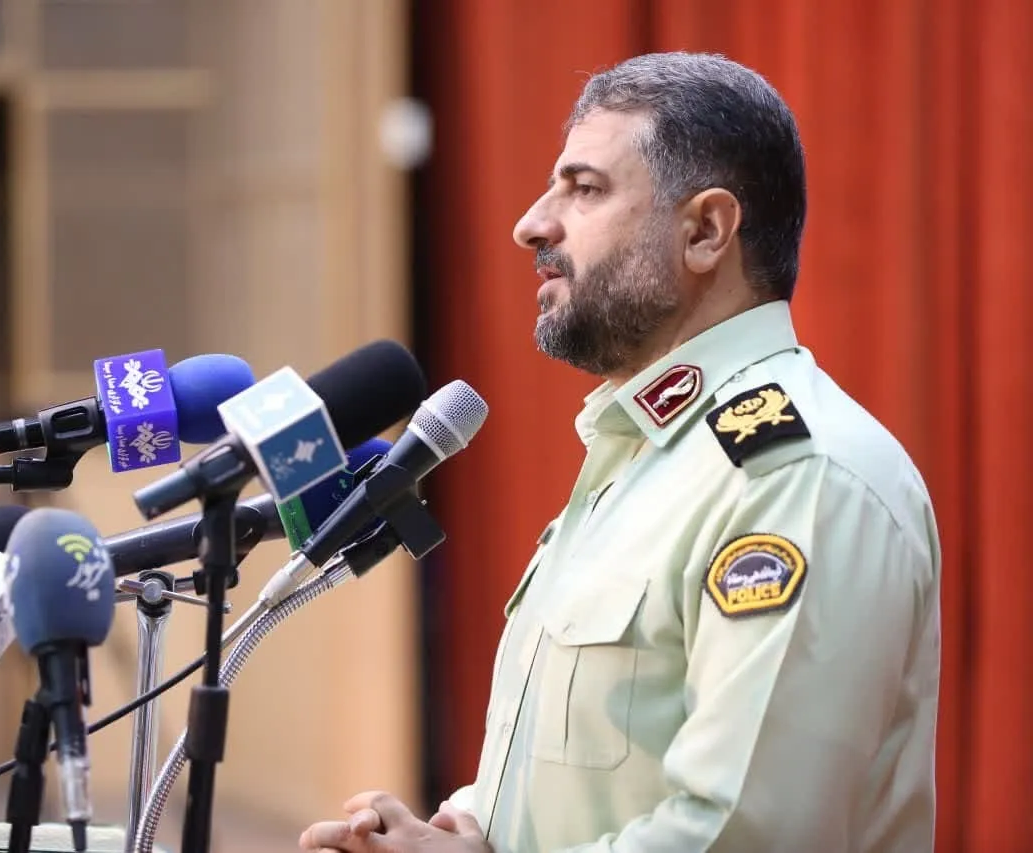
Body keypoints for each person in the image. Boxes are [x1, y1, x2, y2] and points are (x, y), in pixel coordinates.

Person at [299, 51, 942, 853]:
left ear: (705, 231)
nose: (531, 224)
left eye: (585, 189)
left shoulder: (796, 475)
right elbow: (588, 778)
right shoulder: (645, 453)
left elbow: (745, 834)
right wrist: (454, 833)